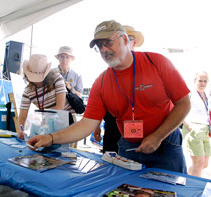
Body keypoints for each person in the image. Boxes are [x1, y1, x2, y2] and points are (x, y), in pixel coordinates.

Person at [27, 20, 191, 173]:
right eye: (99, 46)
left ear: (125, 40)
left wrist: (157, 136)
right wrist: (51, 137)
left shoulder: (157, 62)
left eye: (108, 43)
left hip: (166, 142)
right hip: (129, 147)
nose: (104, 50)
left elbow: (184, 103)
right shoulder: (101, 83)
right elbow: (86, 125)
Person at [93, 25, 144, 153]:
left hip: (138, 131)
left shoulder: (148, 67)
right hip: (112, 126)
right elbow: (99, 104)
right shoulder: (106, 76)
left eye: (130, 38)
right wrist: (96, 126)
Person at [17, 54, 73, 139]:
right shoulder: (27, 91)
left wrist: (43, 121)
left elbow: (60, 107)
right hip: (46, 125)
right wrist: (21, 130)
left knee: (64, 151)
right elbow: (22, 116)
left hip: (65, 121)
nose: (37, 81)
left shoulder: (57, 79)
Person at [182, 71, 211, 177]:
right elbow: (179, 110)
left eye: (205, 81)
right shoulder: (190, 94)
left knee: (204, 163)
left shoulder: (207, 94)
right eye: (200, 80)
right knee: (198, 163)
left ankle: (188, 175)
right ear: (195, 81)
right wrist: (189, 126)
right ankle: (196, 190)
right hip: (194, 128)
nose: (202, 83)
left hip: (205, 129)